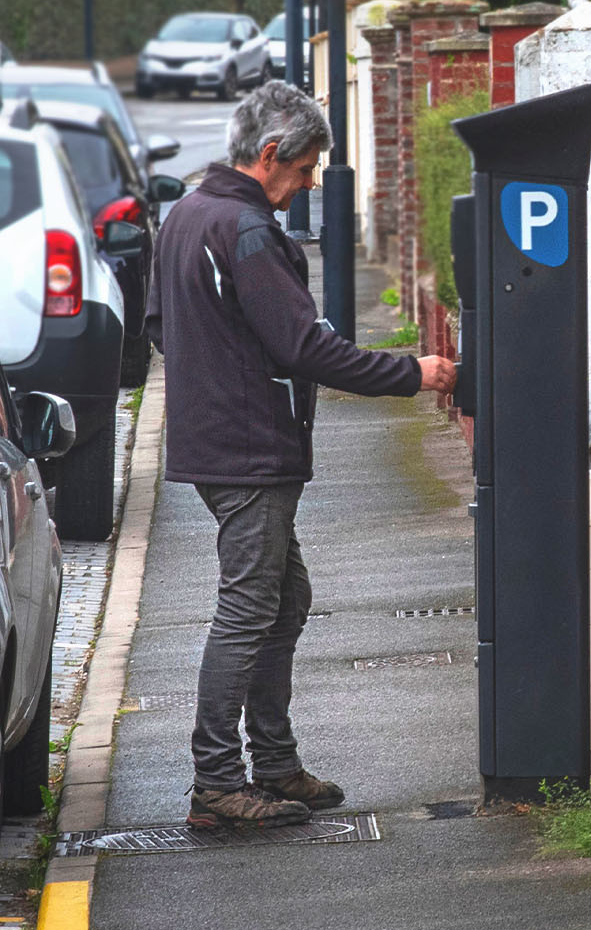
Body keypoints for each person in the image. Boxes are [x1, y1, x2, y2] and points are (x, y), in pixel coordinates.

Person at [145, 81, 457, 828]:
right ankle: (217, 782)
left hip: (221, 440)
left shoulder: (187, 215)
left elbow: (159, 326)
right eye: (308, 167)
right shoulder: (247, 230)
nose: (310, 184)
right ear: (270, 154)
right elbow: (304, 345)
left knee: (284, 600)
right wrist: (410, 374)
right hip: (250, 448)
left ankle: (274, 764)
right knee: (250, 608)